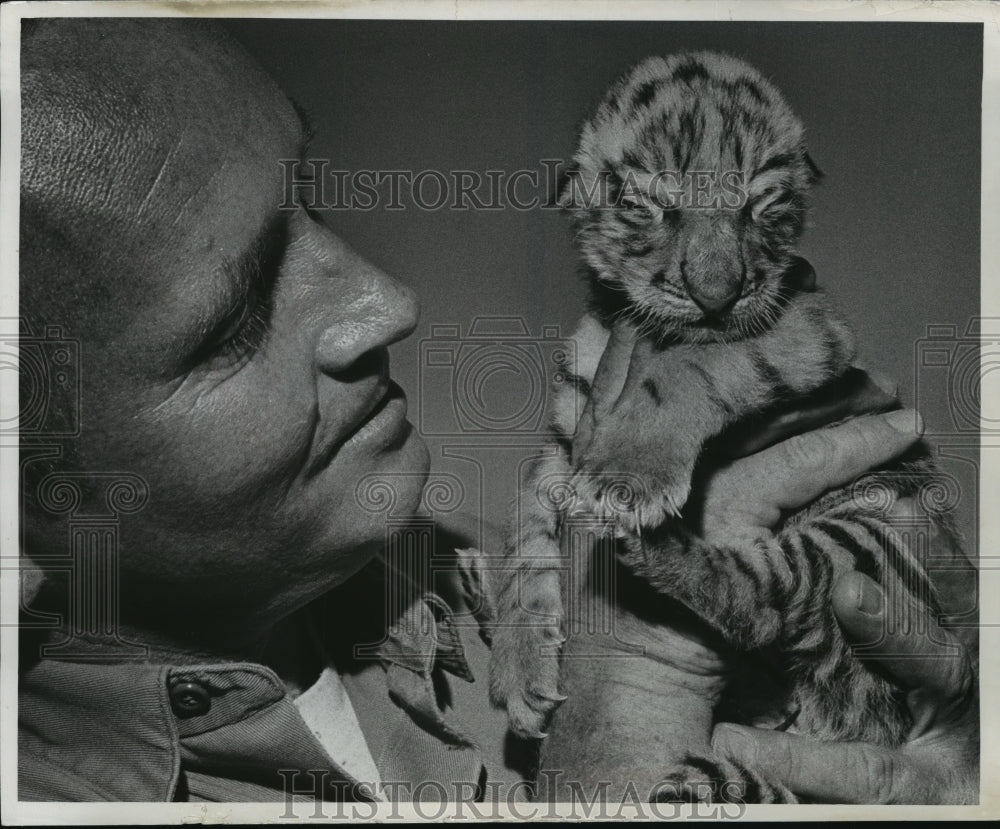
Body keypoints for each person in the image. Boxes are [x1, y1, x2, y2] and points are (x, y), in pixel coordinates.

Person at [15, 18, 977, 807]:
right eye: (233, 318)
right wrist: (630, 686)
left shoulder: (481, 586)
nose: (388, 300)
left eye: (311, 204)